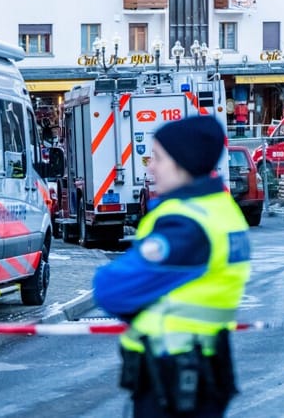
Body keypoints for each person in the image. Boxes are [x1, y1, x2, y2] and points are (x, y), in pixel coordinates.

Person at [93, 116, 251, 418]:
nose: (150, 166)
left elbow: (110, 289)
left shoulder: (185, 225)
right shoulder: (221, 210)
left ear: (182, 163)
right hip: (202, 368)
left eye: (158, 157)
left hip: (174, 377)